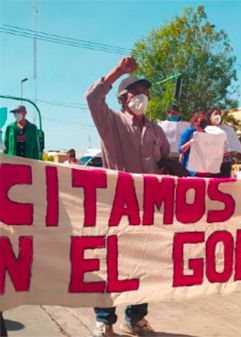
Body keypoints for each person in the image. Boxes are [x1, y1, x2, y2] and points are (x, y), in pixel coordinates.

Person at [86, 56, 170, 337]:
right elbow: (92, 97)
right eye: (135, 92)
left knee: (144, 265)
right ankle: (104, 319)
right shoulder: (110, 123)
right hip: (118, 206)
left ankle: (135, 318)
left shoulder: (156, 130)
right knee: (112, 264)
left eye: (145, 92)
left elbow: (166, 160)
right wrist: (118, 72)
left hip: (149, 208)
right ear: (123, 99)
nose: (141, 97)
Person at [207, 108, 241, 178]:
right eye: (216, 113)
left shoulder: (228, 130)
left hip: (226, 164)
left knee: (226, 186)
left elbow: (234, 146)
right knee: (213, 185)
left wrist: (229, 151)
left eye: (219, 114)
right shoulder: (206, 130)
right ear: (210, 116)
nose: (218, 115)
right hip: (212, 164)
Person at [178, 111, 209, 176]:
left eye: (205, 121)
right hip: (189, 169)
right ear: (195, 121)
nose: (204, 123)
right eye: (202, 121)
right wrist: (189, 143)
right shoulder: (188, 132)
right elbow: (180, 150)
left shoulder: (206, 134)